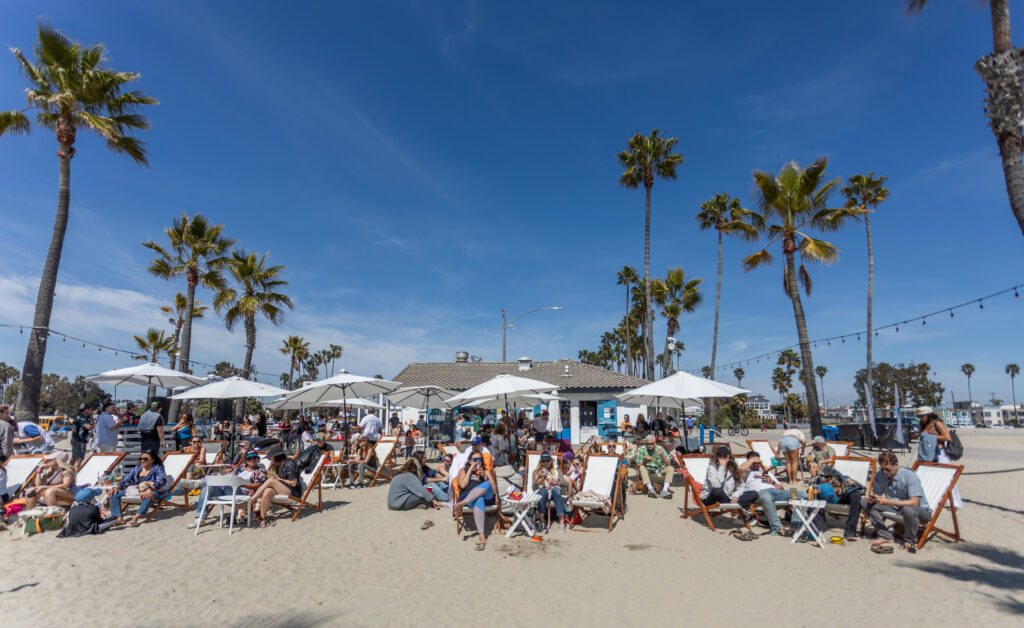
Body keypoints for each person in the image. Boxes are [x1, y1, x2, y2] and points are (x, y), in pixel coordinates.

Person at [862, 451, 931, 553]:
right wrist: (873, 497)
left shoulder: (909, 476)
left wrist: (888, 502)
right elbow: (878, 494)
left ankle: (909, 540)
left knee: (908, 510)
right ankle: (886, 535)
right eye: (882, 469)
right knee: (864, 502)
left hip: (920, 511)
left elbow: (914, 503)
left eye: (888, 469)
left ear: (896, 465)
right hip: (895, 508)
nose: (885, 472)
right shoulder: (880, 475)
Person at [189, 449, 267, 529]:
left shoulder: (260, 470)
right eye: (249, 458)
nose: (252, 460)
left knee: (231, 478)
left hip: (242, 495)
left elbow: (259, 485)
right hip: (228, 490)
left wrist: (242, 484)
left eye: (254, 458)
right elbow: (228, 475)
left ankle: (198, 483)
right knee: (207, 487)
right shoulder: (241, 469)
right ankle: (200, 518)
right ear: (245, 461)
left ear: (258, 459)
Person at [109, 449, 168, 527]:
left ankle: (135, 518)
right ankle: (119, 518)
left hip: (153, 491)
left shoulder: (157, 468)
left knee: (149, 495)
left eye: (145, 459)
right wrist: (118, 486)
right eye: (141, 459)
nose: (142, 461)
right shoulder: (137, 468)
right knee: (114, 493)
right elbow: (127, 479)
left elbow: (161, 481)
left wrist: (150, 489)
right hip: (136, 491)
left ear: (152, 459)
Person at [917, 408, 962, 507]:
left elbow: (947, 437)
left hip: (941, 452)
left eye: (922, 417)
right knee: (929, 476)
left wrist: (930, 437)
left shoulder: (937, 423)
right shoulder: (924, 425)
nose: (920, 419)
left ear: (928, 415)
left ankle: (954, 503)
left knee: (946, 477)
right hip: (929, 453)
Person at [453, 451, 499, 550]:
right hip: (470, 496)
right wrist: (470, 469)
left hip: (486, 497)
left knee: (487, 484)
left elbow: (494, 491)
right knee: (479, 498)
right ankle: (481, 535)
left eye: (480, 459)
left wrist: (484, 477)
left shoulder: (486, 472)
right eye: (475, 460)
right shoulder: (463, 470)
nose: (478, 462)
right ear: (469, 461)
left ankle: (462, 504)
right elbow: (462, 485)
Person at [251, 444, 303, 528]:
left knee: (271, 481)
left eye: (270, 457)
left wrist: (278, 479)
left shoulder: (290, 464)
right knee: (267, 491)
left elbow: (293, 483)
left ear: (277, 456)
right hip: (284, 489)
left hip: (294, 492)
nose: (269, 459)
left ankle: (251, 500)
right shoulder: (278, 465)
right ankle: (264, 518)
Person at [533, 450, 568, 532]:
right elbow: (533, 488)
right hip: (543, 493)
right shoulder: (536, 472)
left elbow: (565, 483)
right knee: (542, 492)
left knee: (557, 491)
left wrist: (555, 482)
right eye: (543, 461)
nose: (546, 463)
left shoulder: (557, 471)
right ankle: (541, 520)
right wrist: (537, 479)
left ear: (551, 461)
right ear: (540, 462)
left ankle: (561, 521)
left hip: (553, 493)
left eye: (548, 460)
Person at [0, 404, 14, 503]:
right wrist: (9, 459)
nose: (8, 416)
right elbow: (7, 447)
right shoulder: (5, 425)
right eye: (7, 413)